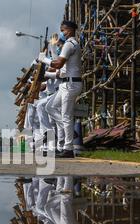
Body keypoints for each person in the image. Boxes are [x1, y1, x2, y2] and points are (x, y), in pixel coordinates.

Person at [40, 21, 83, 158]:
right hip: (66, 84)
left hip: (70, 85)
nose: (61, 33)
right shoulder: (70, 44)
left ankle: (68, 148)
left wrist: (44, 60)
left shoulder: (69, 44)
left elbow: (58, 64)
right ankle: (68, 131)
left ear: (70, 30)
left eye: (63, 30)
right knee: (50, 107)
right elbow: (59, 68)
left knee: (66, 116)